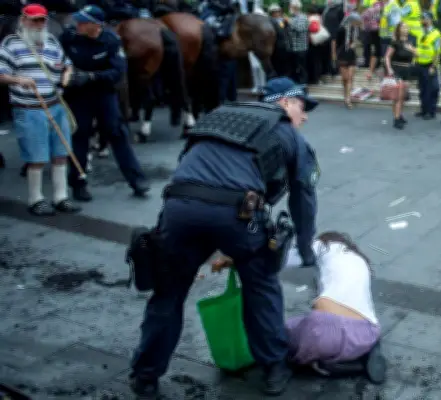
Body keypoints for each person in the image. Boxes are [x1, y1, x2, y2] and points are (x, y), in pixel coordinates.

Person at [128, 77, 320, 398]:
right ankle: (273, 367)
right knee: (261, 283)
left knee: (168, 293)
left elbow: (187, 164)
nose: (306, 115)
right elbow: (304, 196)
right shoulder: (287, 132)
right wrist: (305, 247)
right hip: (237, 215)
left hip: (179, 207)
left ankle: (145, 375)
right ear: (284, 103)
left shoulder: (218, 115)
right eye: (303, 106)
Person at [213, 231, 388, 382]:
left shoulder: (325, 245)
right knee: (317, 327)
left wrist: (233, 259)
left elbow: (281, 257)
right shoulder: (360, 264)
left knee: (279, 335)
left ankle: (321, 363)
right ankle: (355, 356)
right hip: (368, 331)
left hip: (324, 330)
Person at [61, 5, 150, 202]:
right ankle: (78, 184)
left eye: (83, 22)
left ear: (95, 25)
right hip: (78, 95)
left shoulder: (111, 41)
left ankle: (137, 180)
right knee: (79, 137)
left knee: (117, 134)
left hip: (103, 94)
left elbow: (117, 72)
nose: (78, 25)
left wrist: (92, 77)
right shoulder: (70, 37)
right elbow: (58, 58)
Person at [0, 3, 81, 216]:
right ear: (24, 20)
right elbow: (0, 74)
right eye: (34, 20)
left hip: (55, 105)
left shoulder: (52, 41)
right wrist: (18, 79)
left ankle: (61, 197)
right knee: (36, 157)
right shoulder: (11, 43)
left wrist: (65, 78)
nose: (39, 24)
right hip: (29, 108)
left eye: (42, 20)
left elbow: (67, 64)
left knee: (61, 153)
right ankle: (36, 199)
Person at [384, 21, 416, 129]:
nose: (405, 29)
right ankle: (396, 119)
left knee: (403, 97)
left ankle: (400, 115)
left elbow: (417, 54)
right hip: (396, 69)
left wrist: (412, 50)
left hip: (406, 69)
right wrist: (389, 69)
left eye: (407, 27)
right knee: (398, 96)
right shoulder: (395, 42)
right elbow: (387, 56)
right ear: (399, 29)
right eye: (403, 27)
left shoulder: (410, 41)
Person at [414, 12, 440, 120]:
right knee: (422, 89)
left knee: (432, 89)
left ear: (430, 20)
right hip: (420, 64)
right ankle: (423, 110)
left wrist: (433, 66)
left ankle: (431, 111)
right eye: (421, 18)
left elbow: (437, 52)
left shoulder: (436, 34)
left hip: (430, 65)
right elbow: (418, 48)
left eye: (424, 18)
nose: (422, 20)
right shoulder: (420, 32)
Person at [333, 12, 362, 109]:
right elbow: (335, 42)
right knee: (344, 78)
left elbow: (359, 41)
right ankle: (345, 94)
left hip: (352, 55)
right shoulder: (342, 29)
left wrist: (355, 44)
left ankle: (348, 99)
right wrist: (334, 55)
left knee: (350, 77)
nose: (357, 23)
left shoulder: (356, 30)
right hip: (342, 55)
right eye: (356, 21)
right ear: (351, 20)